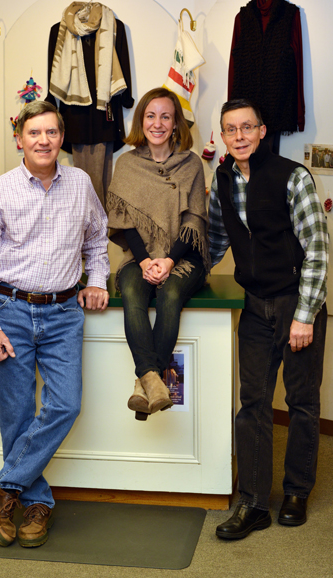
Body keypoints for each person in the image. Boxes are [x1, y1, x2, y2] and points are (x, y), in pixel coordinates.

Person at [0, 101, 110, 548]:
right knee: (17, 415)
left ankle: (3, 484)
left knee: (66, 405)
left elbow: (97, 238)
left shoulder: (81, 183)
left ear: (60, 138)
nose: (43, 140)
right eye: (34, 133)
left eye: (50, 132)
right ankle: (36, 504)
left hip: (65, 313)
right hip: (10, 311)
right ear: (20, 140)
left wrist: (98, 279)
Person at [209, 99, 328, 540]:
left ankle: (296, 492)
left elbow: (316, 248)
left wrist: (304, 315)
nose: (239, 136)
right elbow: (216, 239)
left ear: (261, 132)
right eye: (230, 129)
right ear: (222, 136)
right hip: (256, 306)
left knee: (301, 403)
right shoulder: (221, 179)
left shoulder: (292, 177)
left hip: (298, 305)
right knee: (253, 404)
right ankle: (254, 502)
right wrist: (176, 273)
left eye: (247, 128)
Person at [107, 87, 210, 420]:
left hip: (184, 256)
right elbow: (123, 221)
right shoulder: (126, 164)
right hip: (141, 256)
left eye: (166, 116)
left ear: (176, 123)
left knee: (170, 294)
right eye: (151, 115)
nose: (158, 123)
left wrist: (168, 260)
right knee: (134, 291)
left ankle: (143, 386)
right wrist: (146, 260)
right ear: (141, 120)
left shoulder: (191, 164)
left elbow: (195, 218)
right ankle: (153, 381)